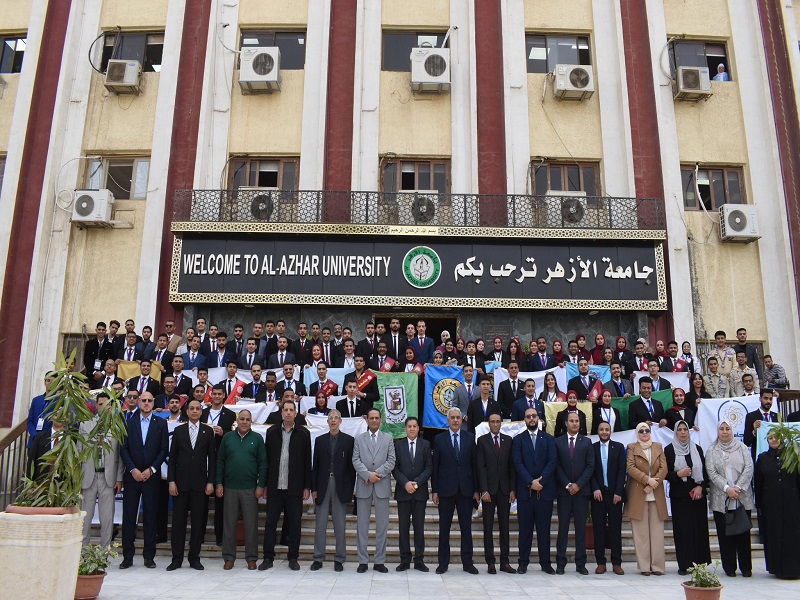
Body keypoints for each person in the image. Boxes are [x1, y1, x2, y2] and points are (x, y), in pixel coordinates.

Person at [260, 399, 312, 571]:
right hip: (275, 487)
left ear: (296, 414)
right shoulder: (272, 432)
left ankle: (293, 558)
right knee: (270, 524)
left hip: (294, 488)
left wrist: (306, 486)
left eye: (291, 410)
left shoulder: (304, 434)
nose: (288, 412)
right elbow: (266, 460)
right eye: (285, 410)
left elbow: (307, 462)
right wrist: (266, 484)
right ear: (281, 413)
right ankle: (268, 557)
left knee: (295, 524)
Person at [119, 392, 169, 569]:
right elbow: (123, 449)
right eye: (143, 400)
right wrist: (132, 469)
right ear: (138, 402)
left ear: (154, 402)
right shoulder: (128, 422)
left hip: (151, 478)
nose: (146, 403)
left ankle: (149, 556)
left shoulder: (161, 423)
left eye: (149, 400)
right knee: (129, 516)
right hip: (132, 477)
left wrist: (152, 469)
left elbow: (164, 450)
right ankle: (127, 556)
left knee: (150, 517)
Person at [167, 398, 216, 571]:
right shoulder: (179, 431)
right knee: (178, 523)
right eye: (191, 408)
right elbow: (172, 460)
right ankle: (176, 559)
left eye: (197, 408)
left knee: (197, 523)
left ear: (201, 412)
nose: (194, 411)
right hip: (180, 485)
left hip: (200, 485)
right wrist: (171, 481)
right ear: (186, 412)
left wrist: (211, 481)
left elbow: (212, 459)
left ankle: (194, 558)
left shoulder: (208, 432)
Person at [216, 410, 266, 571]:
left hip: (250, 489)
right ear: (238, 420)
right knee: (229, 524)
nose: (244, 422)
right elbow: (220, 462)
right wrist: (219, 483)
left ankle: (251, 558)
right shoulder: (227, 438)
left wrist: (260, 485)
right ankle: (229, 557)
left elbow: (263, 464)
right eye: (242, 419)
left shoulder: (257, 439)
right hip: (230, 487)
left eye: (248, 420)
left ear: (251, 422)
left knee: (251, 524)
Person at [432, 407, 479, 574]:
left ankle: (468, 563)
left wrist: (476, 490)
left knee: (466, 528)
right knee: (444, 528)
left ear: (462, 419)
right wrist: (435, 490)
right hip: (445, 490)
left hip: (466, 490)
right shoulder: (439, 439)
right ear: (447, 420)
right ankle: (443, 563)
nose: (455, 420)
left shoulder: (470, 438)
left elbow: (474, 465)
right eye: (452, 417)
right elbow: (435, 466)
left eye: (458, 417)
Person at [706, 419, 754, 577]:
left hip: (741, 497)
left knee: (743, 534)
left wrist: (738, 488)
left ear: (732, 430)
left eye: (727, 429)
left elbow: (749, 467)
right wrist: (727, 489)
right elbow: (711, 472)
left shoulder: (742, 447)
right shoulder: (712, 450)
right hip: (722, 499)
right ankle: (729, 568)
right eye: (722, 429)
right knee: (725, 535)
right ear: (718, 431)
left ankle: (746, 568)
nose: (725, 432)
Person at [310, 409, 356, 572]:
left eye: (336, 417)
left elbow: (352, 469)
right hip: (323, 485)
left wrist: (351, 489)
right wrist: (313, 488)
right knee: (320, 524)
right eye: (331, 418)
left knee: (340, 524)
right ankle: (318, 558)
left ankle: (340, 558)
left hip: (340, 485)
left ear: (341, 421)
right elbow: (315, 467)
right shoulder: (320, 440)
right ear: (327, 421)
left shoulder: (349, 440)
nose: (334, 420)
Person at [512, 407, 557, 574]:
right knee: (525, 530)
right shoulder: (518, 440)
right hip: (525, 493)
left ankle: (545, 563)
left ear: (539, 418)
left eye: (534, 416)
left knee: (544, 530)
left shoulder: (549, 439)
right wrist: (531, 482)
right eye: (528, 416)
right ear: (524, 419)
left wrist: (540, 481)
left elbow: (552, 462)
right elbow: (517, 463)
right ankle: (523, 563)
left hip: (544, 492)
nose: (531, 419)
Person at [352, 408, 396, 573]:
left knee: (382, 526)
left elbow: (392, 460)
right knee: (362, 526)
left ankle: (379, 561)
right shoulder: (359, 439)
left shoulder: (388, 439)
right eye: (371, 418)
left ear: (381, 420)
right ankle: (362, 561)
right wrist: (367, 475)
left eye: (377, 418)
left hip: (381, 485)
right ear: (367, 420)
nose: (374, 421)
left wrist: (378, 474)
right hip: (364, 485)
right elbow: (355, 459)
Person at [665, 420, 711, 575]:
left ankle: (700, 563)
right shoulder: (669, 450)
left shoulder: (697, 449)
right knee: (682, 531)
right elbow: (665, 473)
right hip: (680, 498)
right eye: (680, 430)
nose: (683, 432)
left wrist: (700, 487)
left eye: (686, 429)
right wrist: (678, 474)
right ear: (676, 432)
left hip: (697, 497)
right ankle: (684, 564)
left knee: (699, 529)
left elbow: (705, 472)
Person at [79, 392, 124, 548]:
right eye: (100, 404)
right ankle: (83, 552)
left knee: (107, 518)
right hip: (88, 477)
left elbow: (120, 455)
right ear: (96, 406)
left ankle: (104, 552)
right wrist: (77, 477)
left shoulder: (117, 426)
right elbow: (79, 452)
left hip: (108, 477)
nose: (104, 408)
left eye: (107, 405)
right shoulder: (85, 425)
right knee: (85, 517)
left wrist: (119, 478)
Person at [754, 432, 800, 579]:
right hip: (771, 504)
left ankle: (793, 568)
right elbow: (759, 483)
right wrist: (759, 505)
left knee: (792, 535)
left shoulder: (792, 456)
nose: (774, 440)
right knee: (774, 534)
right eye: (770, 438)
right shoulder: (763, 458)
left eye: (776, 437)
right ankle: (776, 567)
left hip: (792, 503)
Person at [476, 413, 517, 574]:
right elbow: (481, 467)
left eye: (497, 422)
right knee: (488, 526)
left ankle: (504, 561)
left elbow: (511, 467)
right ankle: (490, 562)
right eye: (492, 422)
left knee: (504, 527)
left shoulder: (508, 440)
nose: (495, 424)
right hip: (489, 491)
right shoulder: (482, 441)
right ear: (488, 424)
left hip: (505, 490)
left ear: (501, 423)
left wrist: (513, 489)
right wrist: (483, 490)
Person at [625, 422, 668, 576]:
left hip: (655, 493)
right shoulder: (632, 447)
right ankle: (644, 567)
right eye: (641, 431)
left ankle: (657, 566)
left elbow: (664, 468)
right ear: (637, 433)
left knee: (657, 533)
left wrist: (653, 484)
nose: (644, 433)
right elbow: (630, 467)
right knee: (640, 533)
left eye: (647, 430)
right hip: (639, 493)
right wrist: (646, 480)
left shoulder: (658, 446)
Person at [554, 412, 594, 575]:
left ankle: (580, 563)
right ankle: (561, 563)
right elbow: (556, 465)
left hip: (581, 492)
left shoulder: (587, 442)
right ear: (565, 423)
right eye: (571, 421)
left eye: (577, 421)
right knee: (562, 528)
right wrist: (567, 484)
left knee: (580, 529)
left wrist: (578, 484)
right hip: (564, 492)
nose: (574, 423)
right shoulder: (557, 442)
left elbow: (590, 466)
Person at [393, 417, 432, 572]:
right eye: (409, 426)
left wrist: (415, 483)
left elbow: (429, 467)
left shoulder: (426, 445)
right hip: (403, 492)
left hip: (419, 492)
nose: (412, 429)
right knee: (403, 528)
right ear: (405, 428)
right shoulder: (398, 445)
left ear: (418, 428)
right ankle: (404, 560)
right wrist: (405, 483)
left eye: (414, 426)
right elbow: (394, 468)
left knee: (419, 527)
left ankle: (419, 560)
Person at [201, 385, 237, 546]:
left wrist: (224, 434)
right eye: (213, 394)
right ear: (210, 395)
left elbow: (234, 437)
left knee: (221, 502)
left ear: (224, 396)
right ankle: (199, 535)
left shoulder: (230, 415)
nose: (216, 396)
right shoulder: (203, 413)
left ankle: (220, 536)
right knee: (201, 502)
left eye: (219, 394)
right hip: (203, 460)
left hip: (222, 460)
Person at [590, 421, 626, 575]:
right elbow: (590, 470)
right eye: (601, 429)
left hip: (614, 495)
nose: (604, 432)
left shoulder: (618, 447)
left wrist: (619, 491)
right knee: (598, 528)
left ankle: (616, 562)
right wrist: (595, 488)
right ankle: (601, 562)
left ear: (611, 431)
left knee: (615, 528)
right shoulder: (592, 448)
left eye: (607, 429)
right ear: (597, 431)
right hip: (598, 493)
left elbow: (621, 470)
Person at [743, 388, 776, 460]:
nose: (768, 401)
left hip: (775, 457)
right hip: (759, 458)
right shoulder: (751, 416)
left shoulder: (776, 416)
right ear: (760, 399)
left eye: (770, 399)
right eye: (766, 398)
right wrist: (754, 431)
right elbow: (746, 442)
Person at [26, 372, 56, 446]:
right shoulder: (36, 400)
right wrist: (35, 435)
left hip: (48, 442)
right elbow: (30, 421)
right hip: (34, 440)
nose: (50, 383)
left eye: (53, 381)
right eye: (48, 380)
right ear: (44, 382)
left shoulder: (59, 401)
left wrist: (44, 437)